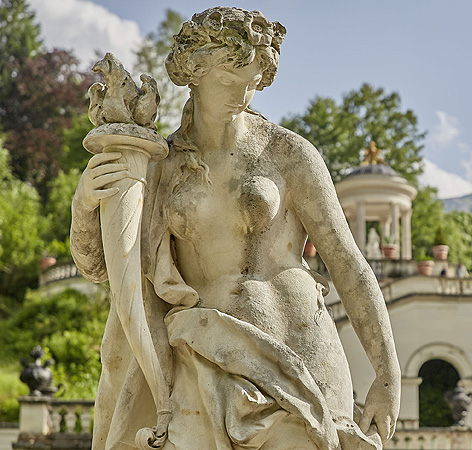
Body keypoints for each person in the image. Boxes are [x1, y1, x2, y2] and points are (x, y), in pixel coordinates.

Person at [71, 7, 399, 450]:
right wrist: (84, 206)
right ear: (195, 73)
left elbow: (348, 263)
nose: (242, 93)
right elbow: (106, 270)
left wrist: (386, 372)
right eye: (229, 78)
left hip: (300, 350)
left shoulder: (288, 154)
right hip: (204, 361)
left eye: (252, 78)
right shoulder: (159, 167)